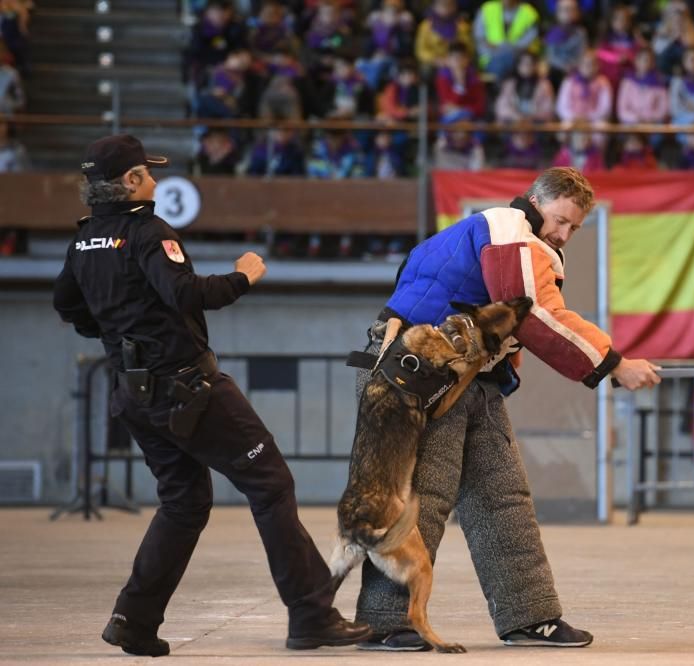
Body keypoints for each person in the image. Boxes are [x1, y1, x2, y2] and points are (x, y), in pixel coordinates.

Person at [52, 134, 371, 657]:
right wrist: (244, 275)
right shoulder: (148, 231)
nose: (155, 180)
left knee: (183, 501)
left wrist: (120, 333)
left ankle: (133, 620)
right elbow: (187, 293)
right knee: (269, 483)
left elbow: (68, 306)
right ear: (131, 181)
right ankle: (313, 614)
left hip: (134, 397)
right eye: (148, 173)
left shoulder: (84, 240)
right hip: (189, 388)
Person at [350, 167, 660, 652]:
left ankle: (529, 617)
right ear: (535, 200)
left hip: (467, 375)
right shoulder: (508, 230)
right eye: (560, 220)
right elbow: (533, 313)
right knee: (424, 495)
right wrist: (613, 363)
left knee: (504, 498)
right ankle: (386, 620)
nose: (564, 234)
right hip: (421, 371)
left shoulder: (495, 232)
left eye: (574, 227)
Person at [473, 0, 541, 79]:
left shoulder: (529, 12)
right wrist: (499, 50)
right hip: (490, 57)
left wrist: (508, 49)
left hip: (518, 57)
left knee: (522, 66)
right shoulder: (488, 8)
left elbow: (531, 40)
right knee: (502, 66)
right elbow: (479, 37)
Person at [495, 51, 556, 123]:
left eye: (530, 63)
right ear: (518, 66)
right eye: (523, 63)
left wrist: (532, 117)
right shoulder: (509, 84)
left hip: (536, 123)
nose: (527, 67)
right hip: (513, 121)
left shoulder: (544, 85)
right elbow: (501, 107)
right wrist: (516, 116)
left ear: (535, 66)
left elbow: (549, 109)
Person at [414, 0, 474, 71]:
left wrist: (457, 58)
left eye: (450, 5)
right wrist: (436, 59)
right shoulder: (426, 26)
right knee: (426, 69)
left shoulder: (462, 26)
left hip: (457, 60)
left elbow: (469, 48)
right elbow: (420, 51)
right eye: (442, 5)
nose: (446, 8)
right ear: (434, 6)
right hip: (435, 62)